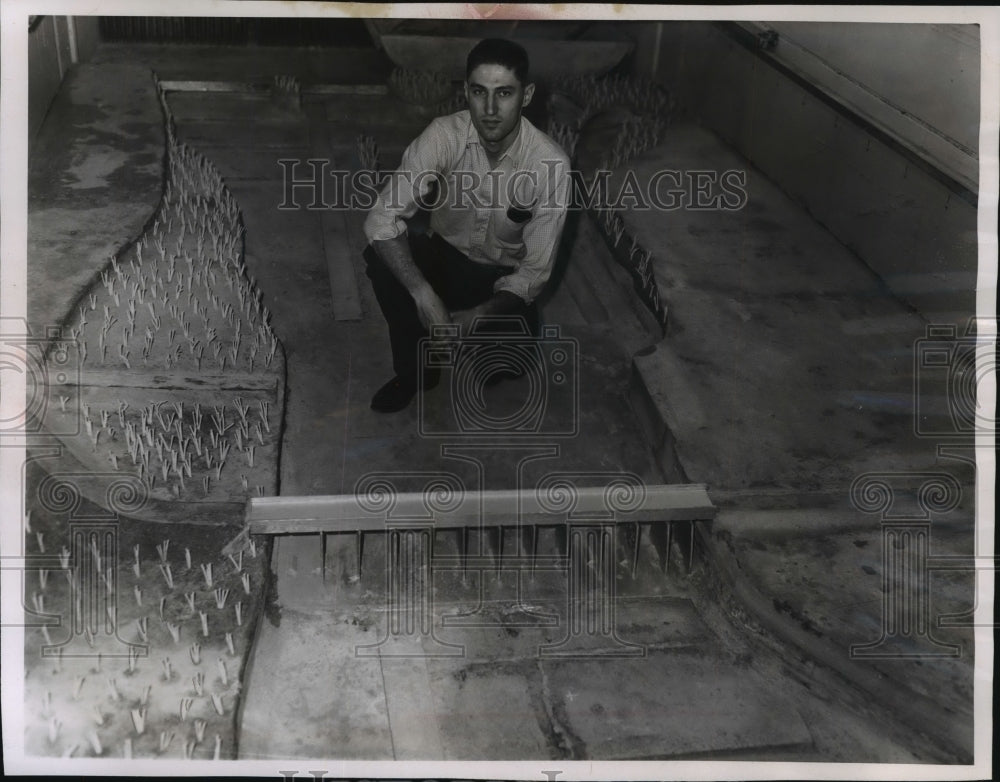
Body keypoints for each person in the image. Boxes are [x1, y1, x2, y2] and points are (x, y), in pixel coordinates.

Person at [362, 38, 571, 413]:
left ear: (527, 96)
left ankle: (479, 345)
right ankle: (415, 375)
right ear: (466, 92)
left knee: (509, 368)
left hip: (498, 279)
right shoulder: (444, 135)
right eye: (479, 92)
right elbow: (381, 218)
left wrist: (478, 316)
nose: (490, 109)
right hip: (445, 259)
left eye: (504, 93)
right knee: (383, 259)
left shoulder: (550, 165)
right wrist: (423, 294)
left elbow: (534, 272)